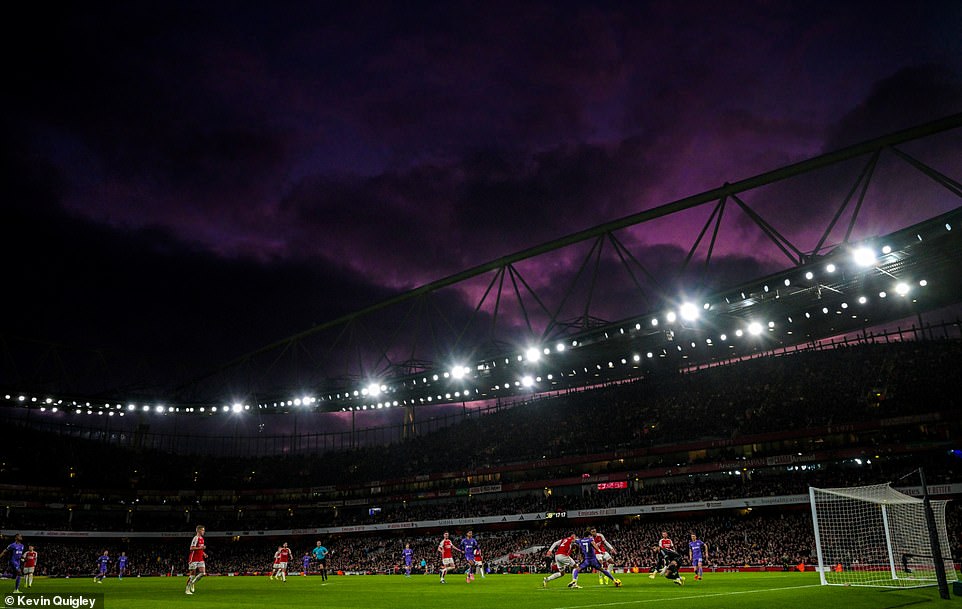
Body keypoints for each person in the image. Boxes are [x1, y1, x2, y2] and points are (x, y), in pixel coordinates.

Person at [185, 524, 207, 595]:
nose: (204, 531)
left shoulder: (202, 539)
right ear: (198, 530)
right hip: (193, 558)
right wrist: (201, 548)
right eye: (203, 530)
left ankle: (193, 583)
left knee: (203, 573)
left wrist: (204, 553)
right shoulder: (196, 538)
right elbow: (191, 548)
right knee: (192, 575)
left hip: (200, 558)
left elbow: (200, 548)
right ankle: (187, 589)